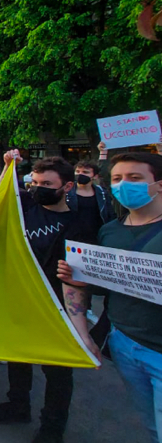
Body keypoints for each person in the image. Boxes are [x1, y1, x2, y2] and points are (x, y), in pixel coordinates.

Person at [0, 152, 94, 443]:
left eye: (46, 183)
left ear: (67, 187)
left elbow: (81, 281)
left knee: (57, 372)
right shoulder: (26, 206)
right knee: (17, 358)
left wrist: (80, 327)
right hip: (19, 301)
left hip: (55, 309)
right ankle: (18, 404)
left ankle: (52, 426)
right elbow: (2, 194)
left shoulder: (79, 225)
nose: (37, 188)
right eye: (33, 182)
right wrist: (10, 165)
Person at [58, 152, 162, 443]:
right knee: (152, 426)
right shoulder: (110, 231)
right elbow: (101, 285)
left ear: (159, 184)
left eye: (135, 178)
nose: (123, 185)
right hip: (125, 344)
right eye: (117, 178)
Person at [66, 160, 116, 242]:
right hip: (71, 238)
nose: (80, 174)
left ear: (95, 176)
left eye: (85, 172)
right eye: (77, 171)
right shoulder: (66, 192)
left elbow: (109, 214)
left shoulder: (102, 193)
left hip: (96, 237)